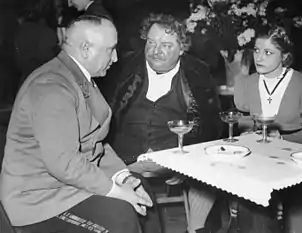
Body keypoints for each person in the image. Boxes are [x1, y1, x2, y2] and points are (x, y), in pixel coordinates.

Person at [0, 15, 156, 233]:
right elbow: (63, 162)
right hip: (39, 200)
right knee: (120, 216)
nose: (116, 58)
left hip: (68, 187)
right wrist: (116, 191)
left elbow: (94, 142)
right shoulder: (51, 87)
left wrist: (123, 177)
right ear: (85, 49)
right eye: (110, 50)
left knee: (142, 192)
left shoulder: (76, 77)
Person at [106, 13, 223, 233]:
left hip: (176, 159)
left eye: (166, 45)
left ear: (182, 49)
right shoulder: (123, 68)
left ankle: (196, 229)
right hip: (124, 158)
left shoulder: (197, 73)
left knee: (210, 174)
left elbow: (210, 128)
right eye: (151, 42)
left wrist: (183, 165)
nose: (155, 50)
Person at [234, 26, 302, 146]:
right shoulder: (247, 83)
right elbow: (244, 126)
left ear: (284, 56)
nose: (259, 58)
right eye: (256, 50)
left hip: (295, 156)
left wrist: (283, 139)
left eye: (268, 53)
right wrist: (247, 134)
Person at [14, 0, 61, 83]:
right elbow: (49, 61)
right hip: (43, 81)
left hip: (24, 81)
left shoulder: (20, 30)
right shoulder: (46, 33)